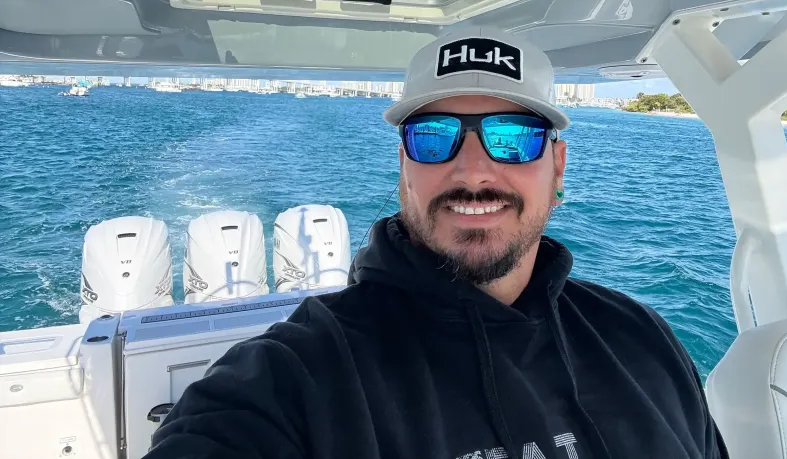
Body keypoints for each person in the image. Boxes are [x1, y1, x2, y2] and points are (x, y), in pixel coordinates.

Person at [147, 27, 728, 459]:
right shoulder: (297, 376)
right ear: (405, 167)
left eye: (512, 138)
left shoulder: (641, 339)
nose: (473, 170)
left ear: (557, 165)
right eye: (434, 138)